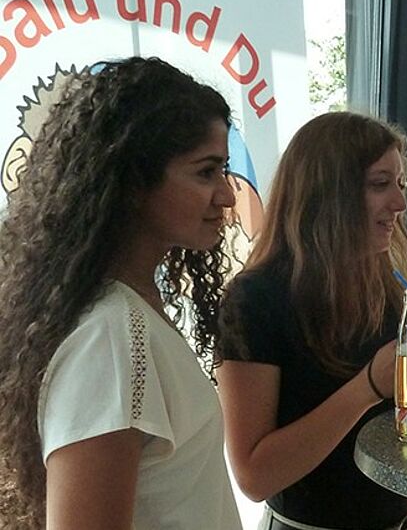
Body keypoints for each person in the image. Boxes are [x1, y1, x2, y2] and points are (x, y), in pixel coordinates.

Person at [0, 57, 242, 529]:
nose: (228, 195)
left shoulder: (131, 311)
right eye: (205, 172)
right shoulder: (110, 337)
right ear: (133, 182)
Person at [217, 111, 407, 530]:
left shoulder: (384, 287)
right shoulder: (254, 300)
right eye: (381, 184)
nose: (399, 203)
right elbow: (254, 475)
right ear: (327, 193)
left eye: (401, 184)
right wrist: (367, 387)